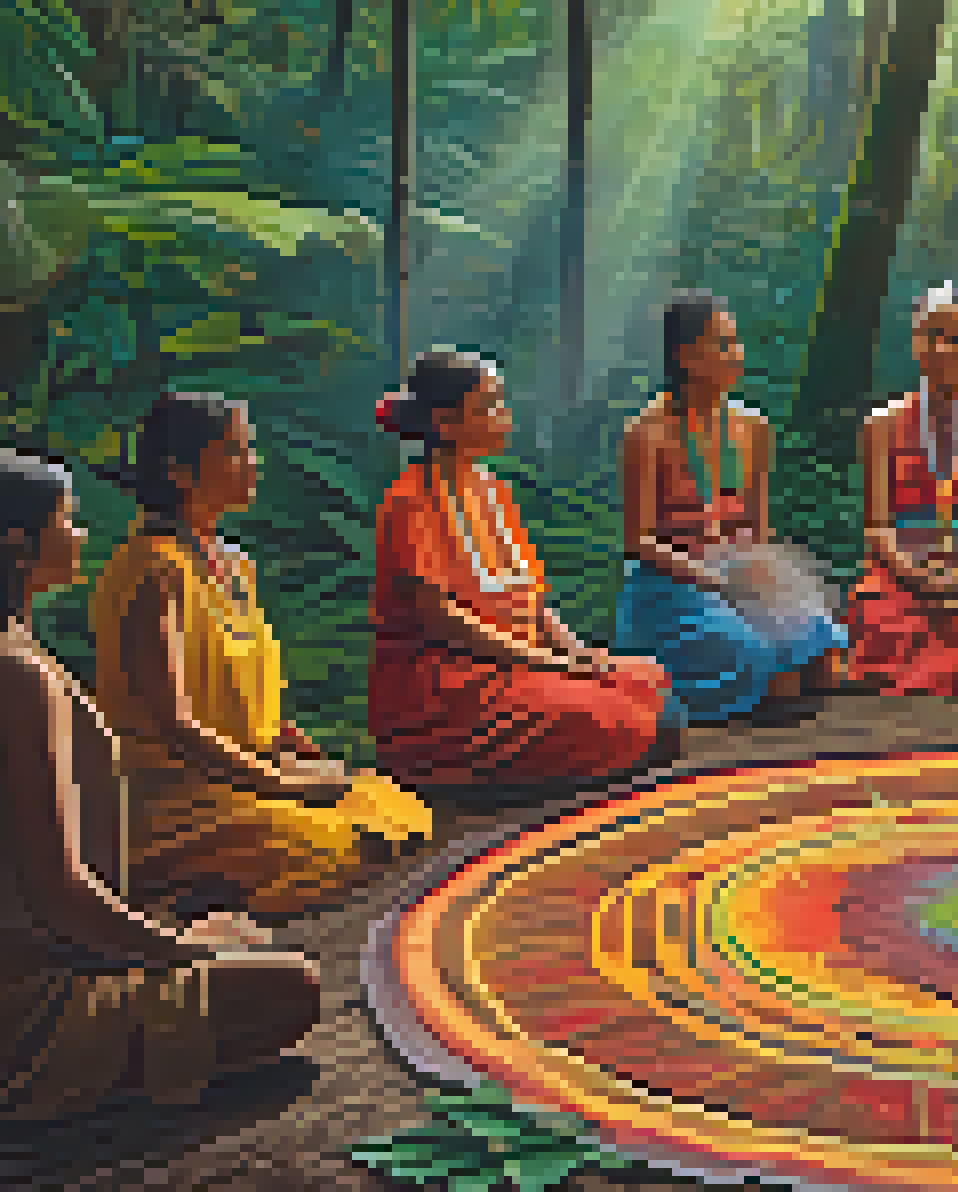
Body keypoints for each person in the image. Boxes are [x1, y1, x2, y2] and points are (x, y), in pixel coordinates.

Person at [0, 449, 320, 1120]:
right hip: (24, 1010)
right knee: (295, 989)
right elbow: (58, 894)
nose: (82, 535)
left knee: (240, 936)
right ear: (17, 548)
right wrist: (181, 948)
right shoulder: (18, 679)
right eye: (68, 520)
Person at [90, 393, 433, 922]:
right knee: (334, 848)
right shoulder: (151, 573)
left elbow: (253, 700)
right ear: (180, 473)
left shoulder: (236, 566)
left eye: (250, 449)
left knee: (394, 808)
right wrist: (280, 782)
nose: (253, 464)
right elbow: (175, 723)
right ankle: (189, 897)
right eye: (234, 452)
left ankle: (225, 876)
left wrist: (298, 752)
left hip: (250, 770)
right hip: (179, 790)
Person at [372, 351, 679, 790]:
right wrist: (548, 662)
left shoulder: (493, 491)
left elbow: (532, 599)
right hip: (450, 681)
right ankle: (466, 773)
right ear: (444, 423)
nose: (505, 416)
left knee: (651, 683)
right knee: (636, 725)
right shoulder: (409, 502)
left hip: (519, 664)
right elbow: (445, 623)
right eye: (490, 406)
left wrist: (575, 653)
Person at [614, 292, 848, 723]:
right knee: (770, 671)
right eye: (722, 344)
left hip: (738, 570)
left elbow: (757, 527)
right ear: (685, 357)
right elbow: (638, 541)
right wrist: (715, 578)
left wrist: (762, 577)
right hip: (673, 581)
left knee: (821, 659)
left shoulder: (753, 428)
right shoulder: (647, 433)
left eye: (736, 342)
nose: (736, 355)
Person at [841, 282, 958, 695]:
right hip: (902, 571)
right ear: (914, 342)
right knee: (879, 614)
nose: (944, 349)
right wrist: (920, 579)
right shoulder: (882, 424)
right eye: (932, 336)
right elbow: (877, 526)